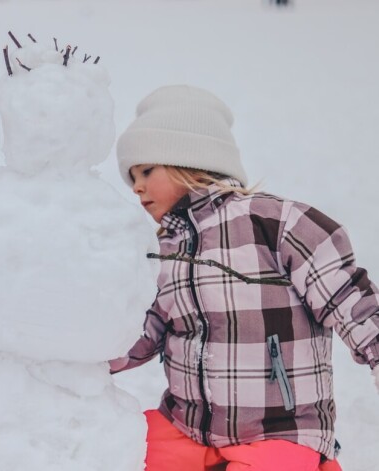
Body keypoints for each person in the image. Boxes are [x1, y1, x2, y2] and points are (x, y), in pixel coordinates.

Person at [111, 85, 379, 471]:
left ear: (187, 159)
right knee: (120, 449)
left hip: (279, 428)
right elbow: (139, 332)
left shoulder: (275, 223)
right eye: (131, 177)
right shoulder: (160, 253)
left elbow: (345, 294)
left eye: (145, 171)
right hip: (188, 426)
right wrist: (73, 356)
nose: (135, 187)